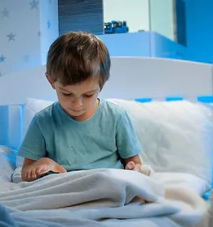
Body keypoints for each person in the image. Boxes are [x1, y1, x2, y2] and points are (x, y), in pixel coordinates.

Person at [17, 31, 144, 181]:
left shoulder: (116, 117)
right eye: (67, 94)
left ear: (101, 85)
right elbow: (25, 174)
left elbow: (134, 163)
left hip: (107, 183)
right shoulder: (42, 121)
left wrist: (133, 168)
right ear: (51, 81)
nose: (77, 104)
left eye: (88, 95)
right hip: (64, 185)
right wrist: (42, 164)